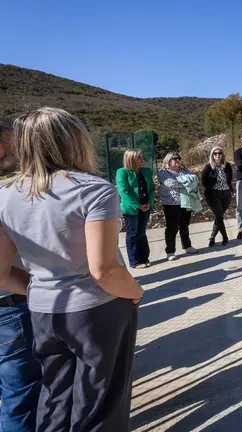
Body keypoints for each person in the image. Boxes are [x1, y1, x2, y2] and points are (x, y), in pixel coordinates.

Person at [0, 107, 143, 431]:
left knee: (55, 400)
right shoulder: (94, 190)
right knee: (101, 405)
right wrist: (135, 292)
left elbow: (2, 273)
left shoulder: (6, 195)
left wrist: (40, 289)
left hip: (42, 312)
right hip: (96, 310)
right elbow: (104, 270)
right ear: (75, 140)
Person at [0, 115, 42, 431]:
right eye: (15, 141)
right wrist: (46, 286)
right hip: (8, 309)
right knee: (21, 397)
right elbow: (1, 274)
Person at [115, 149, 155, 269]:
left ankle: (144, 258)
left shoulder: (146, 171)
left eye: (141, 156)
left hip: (145, 207)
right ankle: (135, 261)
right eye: (139, 157)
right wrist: (137, 205)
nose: (142, 159)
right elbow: (123, 191)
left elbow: (151, 189)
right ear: (131, 158)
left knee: (141, 233)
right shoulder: (122, 172)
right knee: (132, 234)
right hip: (131, 209)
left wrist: (149, 203)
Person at [158, 152, 199, 261]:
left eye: (178, 158)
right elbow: (169, 183)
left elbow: (194, 180)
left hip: (186, 202)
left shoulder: (185, 170)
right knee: (172, 227)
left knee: (185, 225)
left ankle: (187, 246)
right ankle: (170, 251)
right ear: (168, 161)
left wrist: (187, 182)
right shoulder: (163, 172)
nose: (177, 160)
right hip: (171, 204)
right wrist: (186, 182)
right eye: (174, 159)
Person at [201, 146, 233, 247]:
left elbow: (229, 179)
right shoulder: (208, 167)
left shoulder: (227, 166)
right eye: (215, 153)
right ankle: (225, 237)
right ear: (212, 155)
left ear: (222, 155)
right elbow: (204, 181)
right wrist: (214, 181)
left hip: (226, 194)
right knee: (219, 216)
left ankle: (212, 237)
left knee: (219, 216)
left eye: (219, 153)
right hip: (213, 194)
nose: (218, 155)